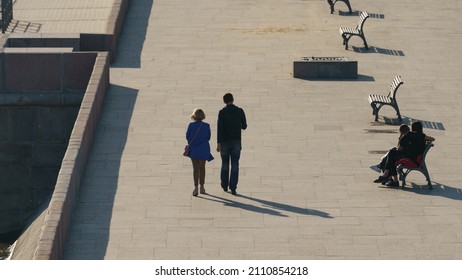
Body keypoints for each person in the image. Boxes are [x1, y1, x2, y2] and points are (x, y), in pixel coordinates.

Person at [216, 93, 247, 195]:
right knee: (235, 164)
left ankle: (224, 185)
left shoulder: (222, 113)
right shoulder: (240, 111)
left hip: (224, 142)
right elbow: (244, 126)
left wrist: (218, 143)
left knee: (225, 164)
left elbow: (219, 129)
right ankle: (233, 187)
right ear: (233, 100)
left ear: (224, 101)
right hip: (236, 141)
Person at [185, 109, 214, 196]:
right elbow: (208, 137)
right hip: (204, 149)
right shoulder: (206, 126)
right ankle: (202, 187)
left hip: (194, 149)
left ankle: (195, 187)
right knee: (202, 168)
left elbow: (187, 136)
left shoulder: (191, 125)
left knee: (195, 169)